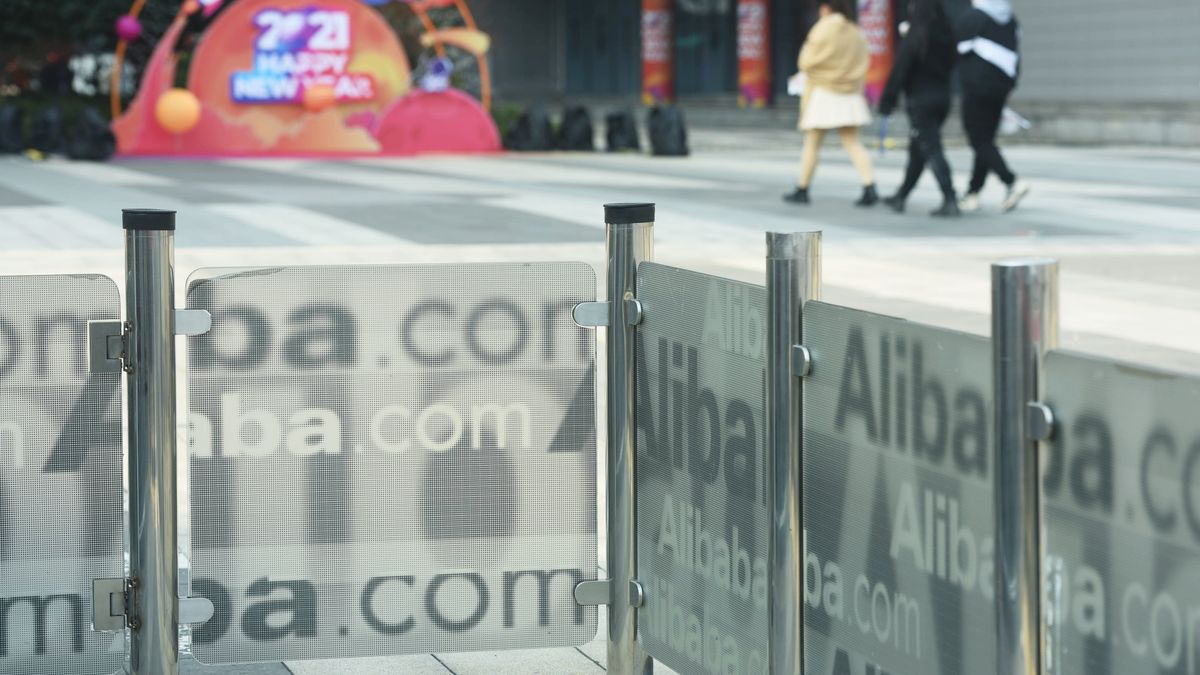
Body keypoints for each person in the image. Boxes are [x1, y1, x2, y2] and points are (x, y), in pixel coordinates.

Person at [783, 0, 878, 207]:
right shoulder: (856, 31)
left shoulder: (822, 28)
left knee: (812, 144)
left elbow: (806, 61)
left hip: (824, 93)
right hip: (849, 94)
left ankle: (803, 188)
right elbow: (864, 60)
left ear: (825, 8)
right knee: (853, 143)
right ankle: (869, 186)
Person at [878, 0, 959, 217]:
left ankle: (950, 197)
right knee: (918, 148)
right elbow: (953, 63)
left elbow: (900, 70)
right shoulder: (947, 34)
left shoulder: (916, 35)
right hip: (943, 98)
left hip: (921, 100)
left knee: (931, 147)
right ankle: (902, 195)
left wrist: (888, 100)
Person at [956, 0, 1030, 212]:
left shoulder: (974, 17)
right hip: (1001, 87)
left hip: (977, 88)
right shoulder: (1011, 21)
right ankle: (973, 193)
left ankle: (1011, 181)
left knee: (978, 139)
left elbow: (959, 47)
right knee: (985, 141)